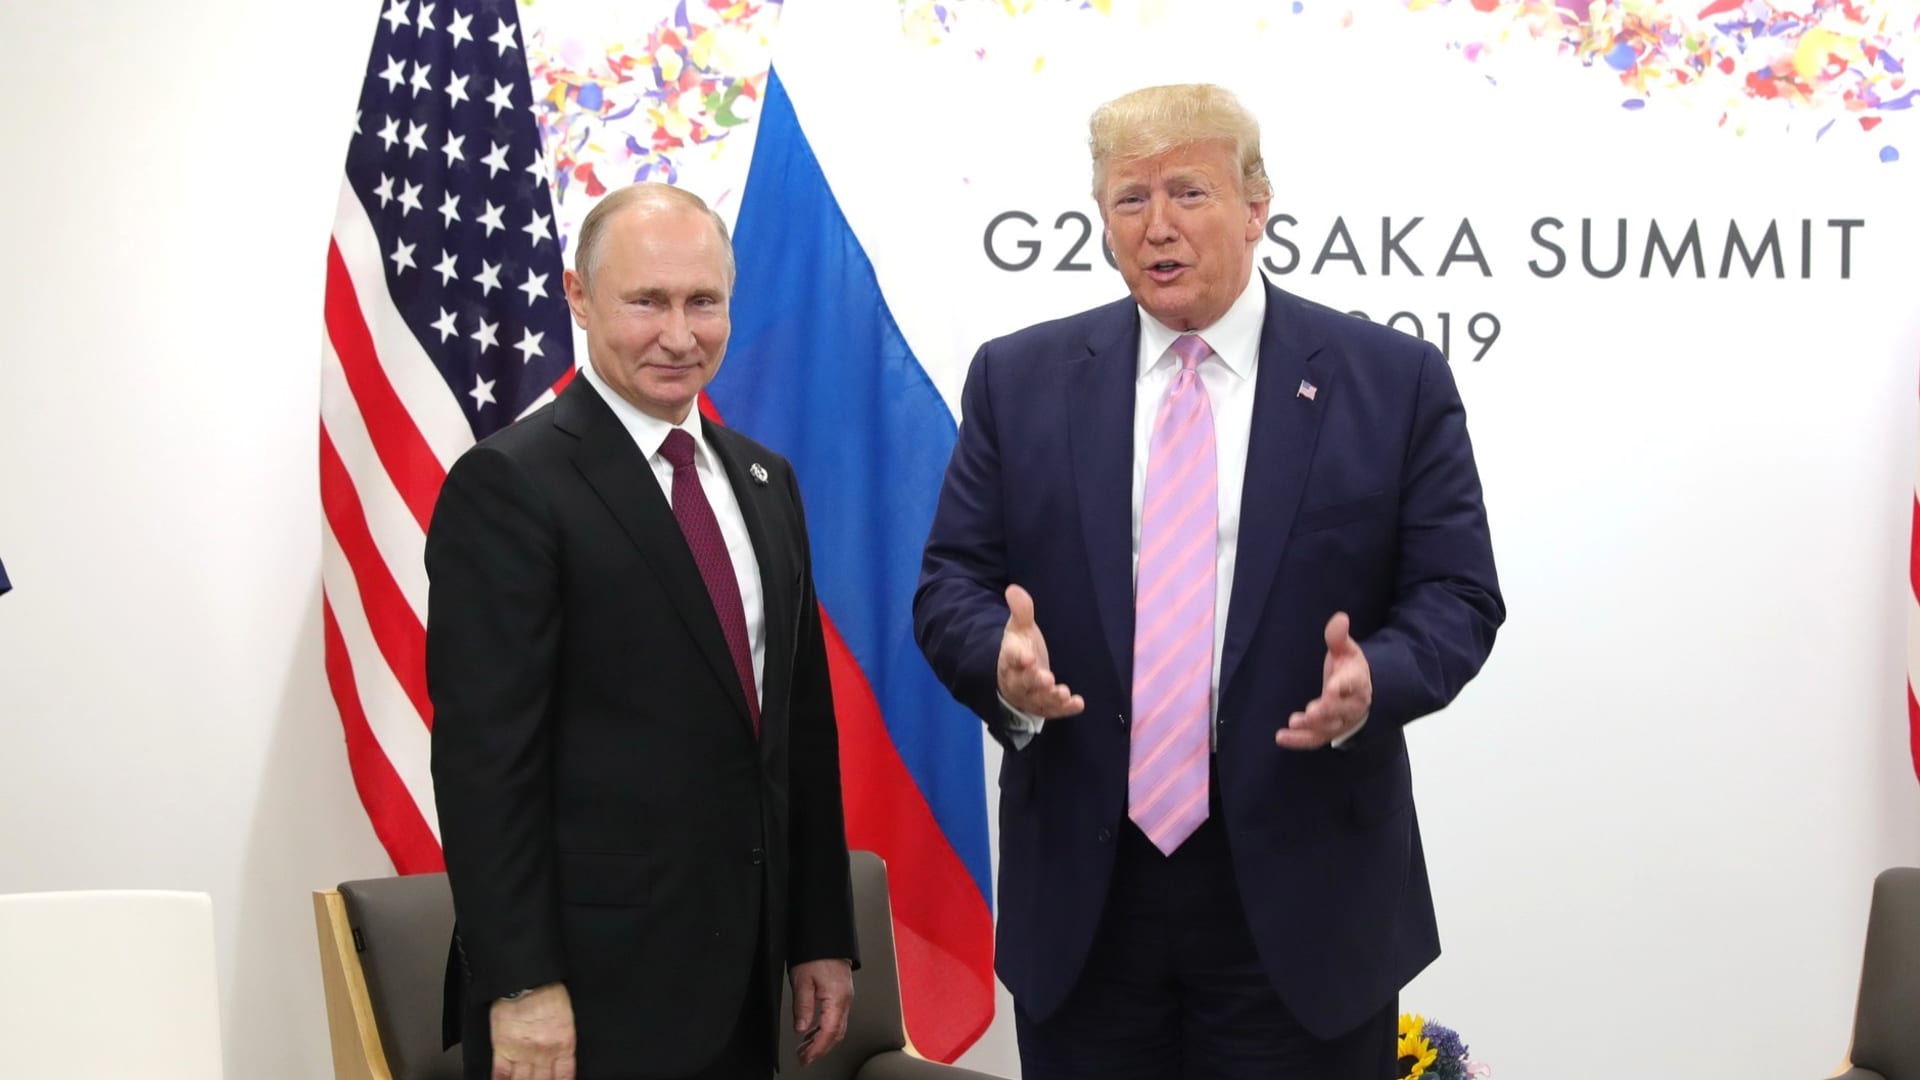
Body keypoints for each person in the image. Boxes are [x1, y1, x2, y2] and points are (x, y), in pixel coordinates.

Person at [913, 83, 1504, 1079]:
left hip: (1306, 894)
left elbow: (1458, 595)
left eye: (1187, 191)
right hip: (1089, 900)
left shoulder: (1388, 380)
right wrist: (998, 666)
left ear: (1256, 203)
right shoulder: (1021, 380)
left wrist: (1377, 681)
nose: (1157, 226)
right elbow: (952, 586)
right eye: (1128, 200)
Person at [427, 182, 857, 1080]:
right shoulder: (510, 485)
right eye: (646, 302)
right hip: (586, 997)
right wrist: (520, 986)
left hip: (744, 980)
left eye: (703, 302)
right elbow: (485, 766)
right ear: (579, 298)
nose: (679, 334)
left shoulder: (764, 481)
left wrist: (818, 931)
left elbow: (797, 729)